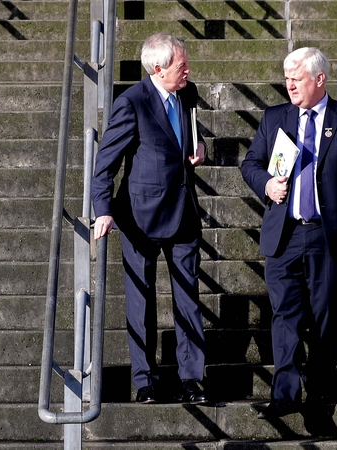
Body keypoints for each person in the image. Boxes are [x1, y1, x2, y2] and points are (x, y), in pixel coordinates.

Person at [240, 47, 337, 418]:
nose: (289, 86)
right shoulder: (275, 118)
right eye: (286, 79)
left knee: (325, 317)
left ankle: (319, 394)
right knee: (284, 315)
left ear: (320, 79)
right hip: (283, 235)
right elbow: (250, 163)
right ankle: (284, 396)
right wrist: (267, 184)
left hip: (327, 236)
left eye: (297, 79)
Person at [92, 32, 208, 405]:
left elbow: (191, 136)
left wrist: (200, 147)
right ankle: (145, 381)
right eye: (181, 66)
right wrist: (102, 210)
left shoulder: (187, 94)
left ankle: (192, 379)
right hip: (140, 217)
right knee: (140, 302)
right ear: (158, 69)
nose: (188, 71)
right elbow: (105, 163)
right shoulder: (131, 102)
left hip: (183, 211)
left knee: (188, 297)